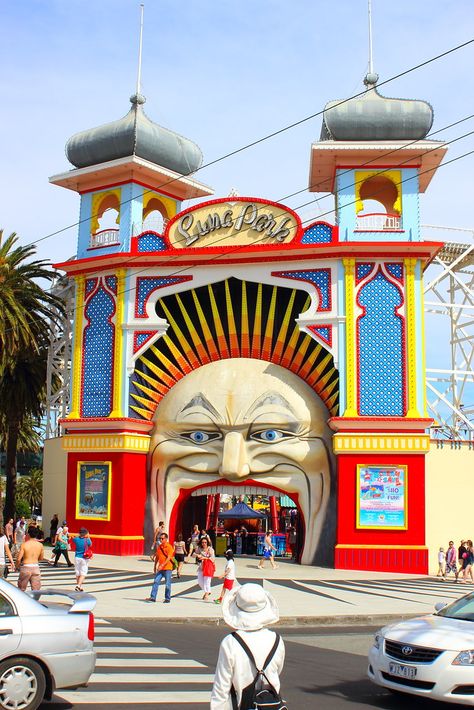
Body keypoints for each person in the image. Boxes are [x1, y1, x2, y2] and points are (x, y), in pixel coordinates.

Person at [210, 583, 285, 710]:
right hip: (271, 704)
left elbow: (221, 688)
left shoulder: (230, 642)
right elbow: (277, 671)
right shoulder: (276, 639)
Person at [146, 532, 174, 603]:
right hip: (160, 569)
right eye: (160, 538)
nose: (161, 540)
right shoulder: (159, 547)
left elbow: (168, 558)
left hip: (168, 568)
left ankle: (167, 598)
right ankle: (153, 597)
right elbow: (157, 557)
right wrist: (155, 566)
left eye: (162, 538)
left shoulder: (169, 547)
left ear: (166, 539)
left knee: (167, 584)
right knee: (156, 581)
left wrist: (162, 565)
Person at [16, 526, 44, 591]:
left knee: (21, 589)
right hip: (36, 567)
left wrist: (17, 566)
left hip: (26, 566)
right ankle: (34, 601)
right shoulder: (40, 545)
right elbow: (41, 558)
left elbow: (18, 559)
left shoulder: (24, 545)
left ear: (28, 534)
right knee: (36, 590)